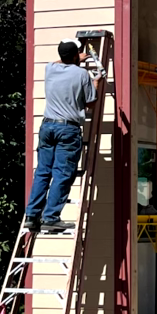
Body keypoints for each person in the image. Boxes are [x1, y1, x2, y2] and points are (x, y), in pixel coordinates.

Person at [24, 38, 104, 233]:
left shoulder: (50, 69)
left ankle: (32, 216)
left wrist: (75, 57)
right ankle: (51, 217)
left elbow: (61, 61)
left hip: (47, 127)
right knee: (62, 173)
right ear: (76, 55)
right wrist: (95, 82)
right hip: (68, 129)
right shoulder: (82, 75)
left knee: (43, 171)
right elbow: (91, 103)